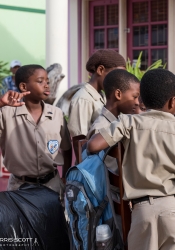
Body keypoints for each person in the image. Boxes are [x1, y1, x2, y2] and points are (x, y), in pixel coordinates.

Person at [87, 69, 175, 250]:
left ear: (141, 100)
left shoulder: (130, 122)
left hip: (141, 212)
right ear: (173, 101)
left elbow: (93, 146)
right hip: (171, 209)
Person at [0, 65, 72, 201]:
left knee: (53, 222)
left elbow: (67, 148)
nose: (46, 85)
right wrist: (1, 103)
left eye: (48, 82)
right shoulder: (6, 113)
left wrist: (65, 177)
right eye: (40, 81)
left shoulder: (56, 114)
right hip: (19, 188)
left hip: (52, 186)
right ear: (23, 87)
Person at [67, 49, 126, 160]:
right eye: (116, 75)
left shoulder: (102, 95)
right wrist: (84, 170)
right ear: (100, 70)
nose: (119, 81)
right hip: (90, 167)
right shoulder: (83, 98)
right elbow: (79, 141)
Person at [87, 69, 140, 140]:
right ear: (118, 94)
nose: (137, 102)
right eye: (135, 97)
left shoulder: (121, 122)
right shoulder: (100, 129)